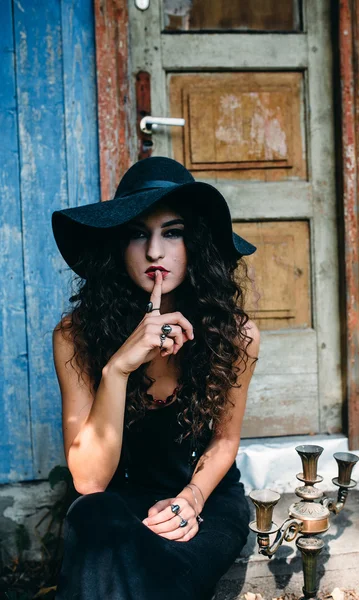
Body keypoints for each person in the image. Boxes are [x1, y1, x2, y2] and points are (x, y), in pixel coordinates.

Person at [51, 156, 260, 599]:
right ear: (116, 246)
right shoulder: (77, 335)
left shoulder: (235, 334)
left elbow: (224, 440)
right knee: (92, 517)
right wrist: (119, 367)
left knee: (142, 574)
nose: (153, 251)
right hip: (119, 500)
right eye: (136, 234)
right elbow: (89, 481)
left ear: (197, 243)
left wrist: (192, 499)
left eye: (172, 232)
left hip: (203, 501)